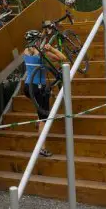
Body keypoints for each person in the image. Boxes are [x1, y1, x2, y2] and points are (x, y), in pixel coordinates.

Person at [22, 29, 67, 157]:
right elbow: (62, 58)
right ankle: (42, 148)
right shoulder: (42, 54)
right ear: (38, 40)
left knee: (41, 108)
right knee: (44, 119)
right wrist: (52, 49)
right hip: (38, 87)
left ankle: (39, 118)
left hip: (27, 87)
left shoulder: (25, 52)